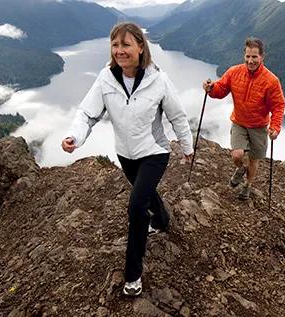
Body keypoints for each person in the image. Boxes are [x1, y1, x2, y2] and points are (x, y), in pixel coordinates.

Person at [61, 22, 193, 297]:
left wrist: (187, 146)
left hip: (155, 151)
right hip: (126, 154)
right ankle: (163, 219)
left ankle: (133, 274)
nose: (120, 51)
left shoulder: (158, 79)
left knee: (136, 206)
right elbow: (88, 113)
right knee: (144, 193)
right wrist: (75, 136)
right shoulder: (106, 78)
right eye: (115, 45)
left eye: (126, 45)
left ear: (140, 47)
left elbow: (177, 116)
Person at [202, 37, 285, 200]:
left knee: (254, 160)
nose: (250, 60)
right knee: (237, 155)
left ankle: (248, 185)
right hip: (239, 122)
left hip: (259, 126)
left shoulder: (271, 81)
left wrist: (275, 127)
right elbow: (221, 89)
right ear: (244, 55)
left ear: (262, 57)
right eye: (247, 56)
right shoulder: (234, 72)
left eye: (254, 57)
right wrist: (211, 88)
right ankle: (240, 168)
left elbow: (278, 106)